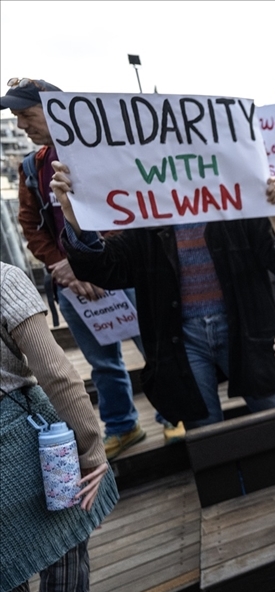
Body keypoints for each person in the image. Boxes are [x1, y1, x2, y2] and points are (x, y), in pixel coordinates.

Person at [53, 166, 275, 430]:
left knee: (272, 414)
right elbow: (104, 267)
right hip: (185, 339)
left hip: (243, 330)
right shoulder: (148, 221)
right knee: (205, 432)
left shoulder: (236, 205)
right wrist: (73, 216)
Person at [2, 76, 148, 458]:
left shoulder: (104, 150)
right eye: (15, 118)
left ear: (56, 110)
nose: (21, 125)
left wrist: (95, 261)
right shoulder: (32, 166)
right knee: (103, 363)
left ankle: (173, 416)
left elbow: (131, 210)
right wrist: (63, 264)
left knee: (155, 348)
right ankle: (122, 426)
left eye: (25, 115)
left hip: (120, 275)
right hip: (71, 285)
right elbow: (30, 225)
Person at [1, 262, 118, 592]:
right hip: (17, 438)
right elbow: (58, 374)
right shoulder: (4, 280)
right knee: (72, 499)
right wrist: (90, 448)